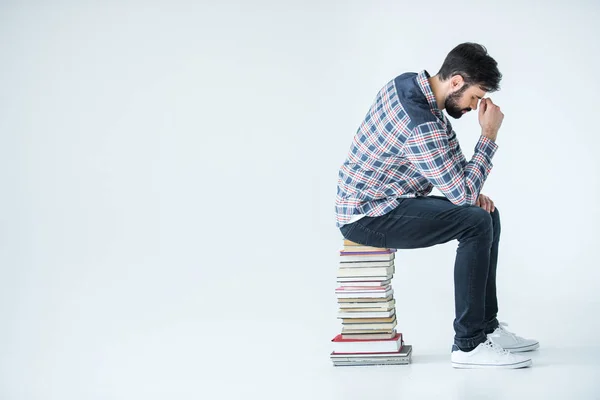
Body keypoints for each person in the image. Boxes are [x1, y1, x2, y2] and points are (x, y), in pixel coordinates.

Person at [334, 43, 539, 369]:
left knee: (487, 214)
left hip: (387, 199)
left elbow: (455, 174)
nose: (474, 107)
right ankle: (468, 346)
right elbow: (460, 191)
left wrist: (469, 193)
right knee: (476, 222)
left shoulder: (407, 85)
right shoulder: (421, 123)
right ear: (456, 82)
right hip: (369, 215)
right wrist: (489, 134)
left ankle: (487, 327)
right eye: (475, 97)